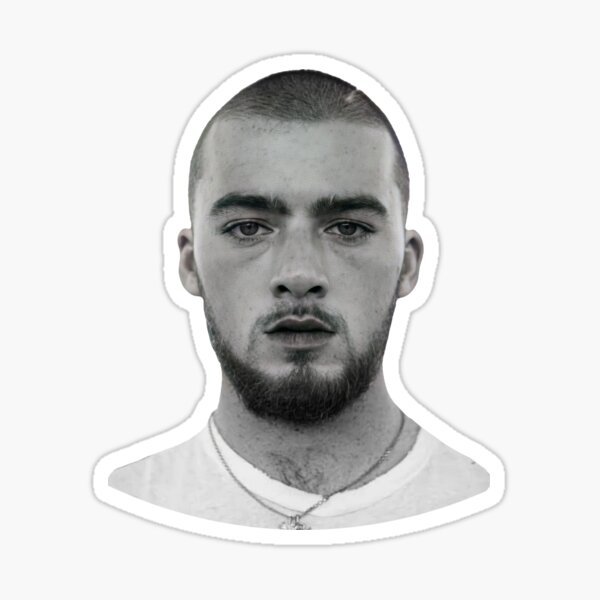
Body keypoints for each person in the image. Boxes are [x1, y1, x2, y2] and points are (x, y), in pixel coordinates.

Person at [106, 68, 494, 532]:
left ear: (408, 265)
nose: (299, 275)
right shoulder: (120, 509)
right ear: (190, 264)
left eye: (347, 228)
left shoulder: (488, 506)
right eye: (248, 228)